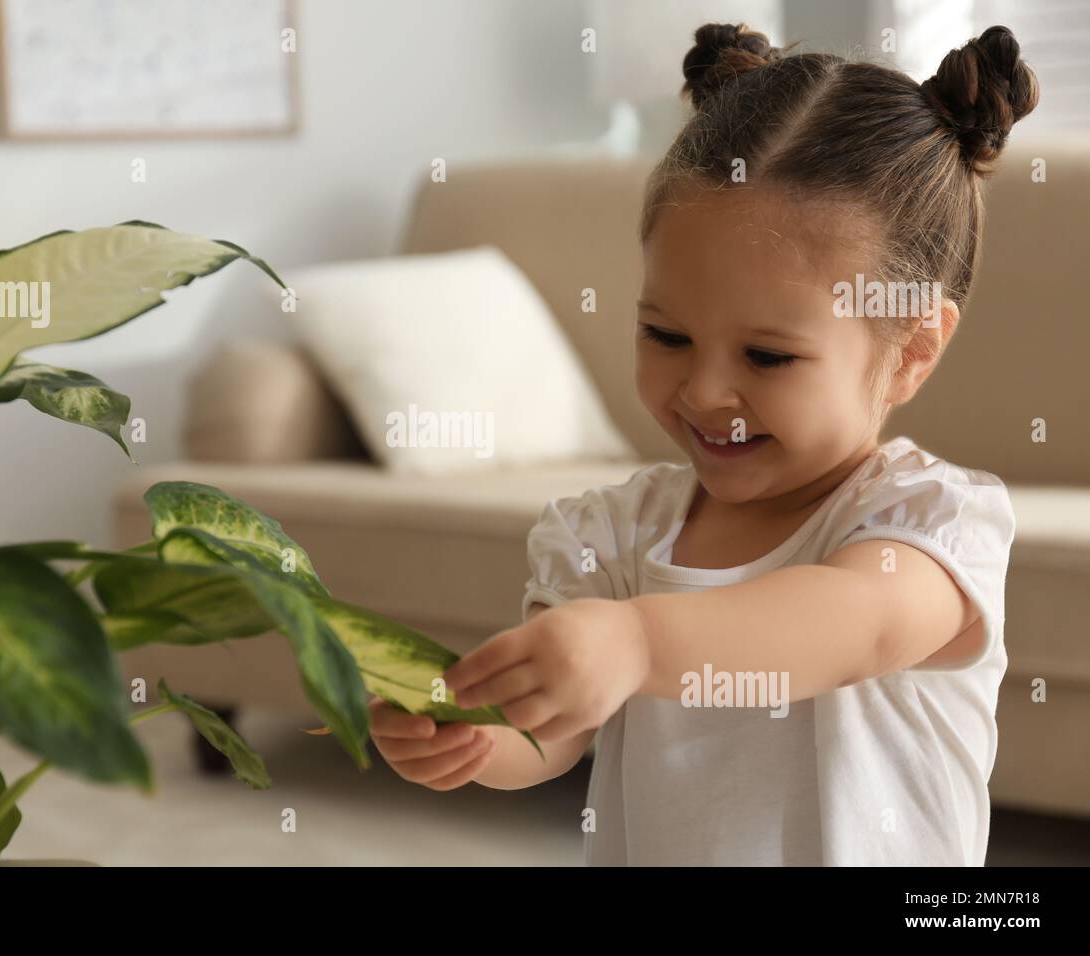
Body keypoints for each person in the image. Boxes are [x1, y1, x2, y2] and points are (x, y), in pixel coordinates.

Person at [370, 22, 1037, 866]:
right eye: (666, 334)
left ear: (910, 352)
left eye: (767, 356)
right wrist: (471, 736)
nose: (704, 391)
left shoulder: (931, 526)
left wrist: (637, 641)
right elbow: (554, 733)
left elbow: (855, 624)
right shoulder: (611, 533)